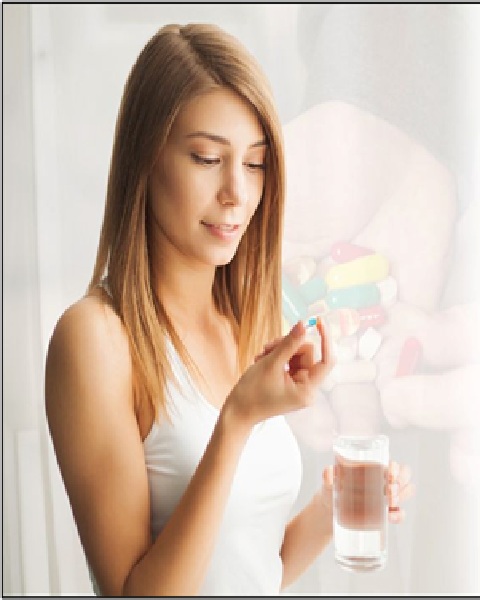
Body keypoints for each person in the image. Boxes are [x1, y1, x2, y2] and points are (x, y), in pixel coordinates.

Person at [43, 23, 411, 596]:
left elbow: (250, 570)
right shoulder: (94, 340)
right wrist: (235, 422)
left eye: (256, 163)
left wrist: (330, 505)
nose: (237, 192)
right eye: (208, 158)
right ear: (146, 158)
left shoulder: (242, 326)